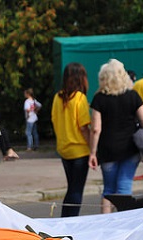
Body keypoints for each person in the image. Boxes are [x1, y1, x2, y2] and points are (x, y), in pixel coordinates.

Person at [89, 59, 143, 213]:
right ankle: (124, 225)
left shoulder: (99, 98)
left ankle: (106, 224)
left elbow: (96, 129)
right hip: (130, 148)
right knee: (124, 187)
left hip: (108, 149)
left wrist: (92, 153)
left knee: (109, 189)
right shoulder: (133, 96)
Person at [51, 62, 92, 217]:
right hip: (79, 150)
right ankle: (70, 221)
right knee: (76, 190)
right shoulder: (80, 98)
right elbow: (83, 127)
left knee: (71, 187)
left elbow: (54, 120)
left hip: (64, 149)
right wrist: (94, 149)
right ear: (81, 78)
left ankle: (65, 219)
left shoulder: (57, 97)